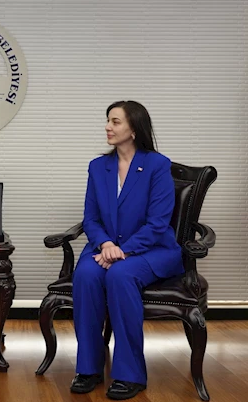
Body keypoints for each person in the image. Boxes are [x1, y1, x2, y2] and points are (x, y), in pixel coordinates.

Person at [70, 101, 183, 400]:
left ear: (134, 129)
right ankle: (88, 368)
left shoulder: (157, 165)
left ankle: (130, 374)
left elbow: (158, 223)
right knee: (86, 275)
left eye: (115, 122)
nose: (108, 127)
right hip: (105, 247)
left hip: (151, 249)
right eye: (108, 120)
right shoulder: (98, 167)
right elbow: (91, 218)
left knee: (120, 276)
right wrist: (107, 245)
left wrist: (123, 250)